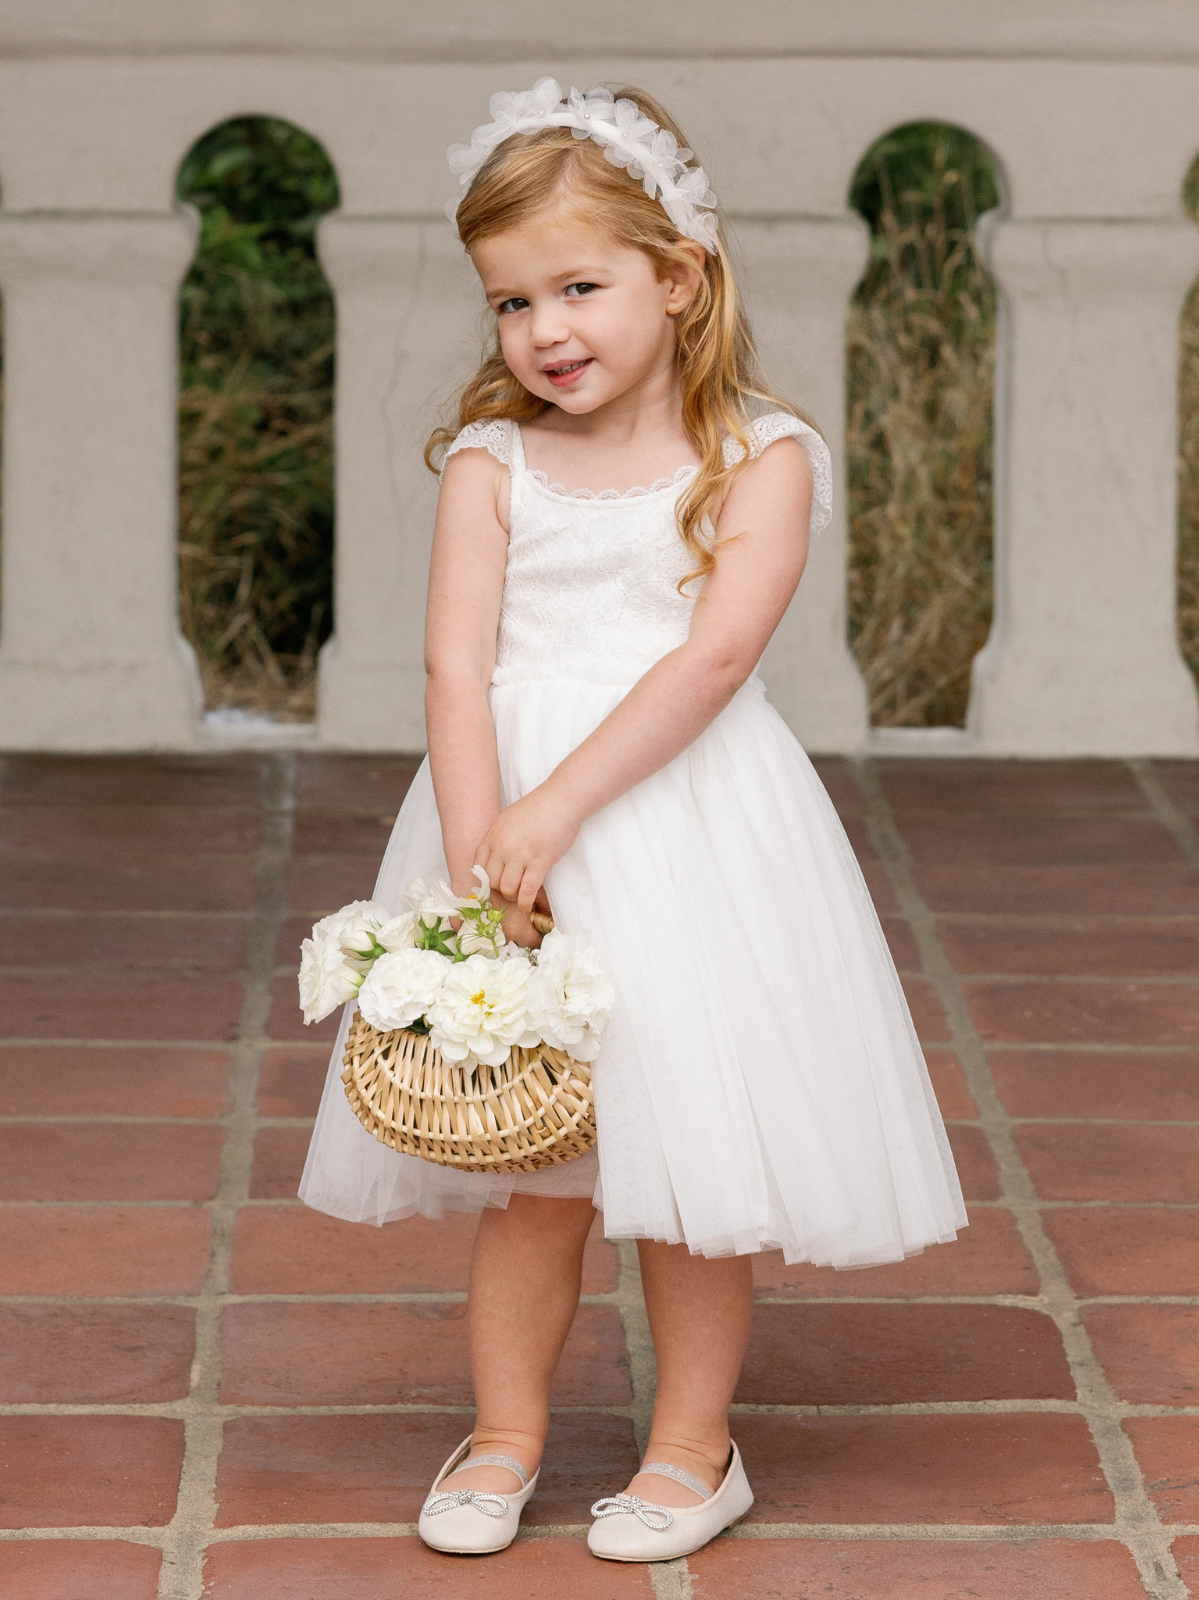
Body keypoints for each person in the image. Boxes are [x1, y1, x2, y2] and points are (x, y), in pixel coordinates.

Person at [299, 79, 966, 1564]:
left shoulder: (759, 457)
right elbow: (453, 664)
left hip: (686, 826)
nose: (544, 328)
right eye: (511, 300)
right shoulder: (493, 465)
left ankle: (690, 1450)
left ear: (677, 275)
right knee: (532, 1174)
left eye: (579, 286)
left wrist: (559, 803)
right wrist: (483, 859)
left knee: (687, 1169)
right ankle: (505, 1434)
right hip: (510, 829)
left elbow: (712, 658)